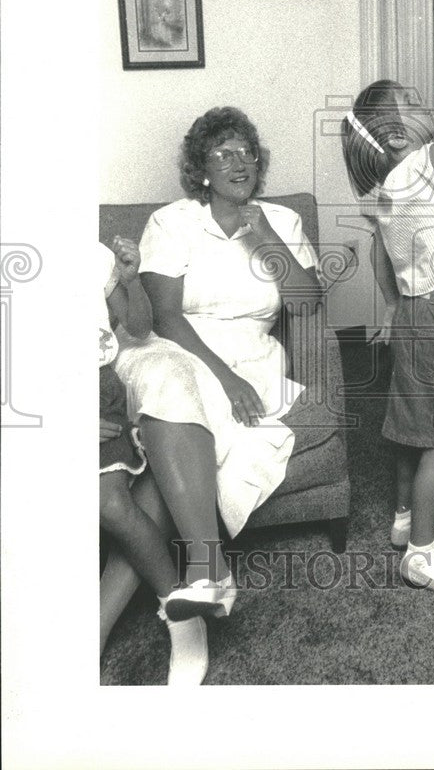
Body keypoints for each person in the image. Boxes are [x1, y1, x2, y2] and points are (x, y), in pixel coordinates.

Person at [105, 107, 323, 639]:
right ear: (201, 170)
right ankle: (210, 571)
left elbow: (309, 303)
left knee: (159, 475)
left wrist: (266, 235)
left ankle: (143, 612)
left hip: (253, 354)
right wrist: (226, 381)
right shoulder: (173, 221)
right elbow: (163, 317)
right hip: (173, 347)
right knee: (168, 380)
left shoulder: (281, 220)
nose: (238, 161)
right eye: (222, 152)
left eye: (246, 150)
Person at [342, 8, 434, 592]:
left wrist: (404, 307)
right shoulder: (417, 171)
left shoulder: (387, 188)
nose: (422, 100)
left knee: (410, 422)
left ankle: (405, 520)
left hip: (417, 311)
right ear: (393, 131)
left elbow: (383, 258)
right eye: (409, 100)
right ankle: (421, 556)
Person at [99, 237, 208, 685]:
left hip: (95, 391)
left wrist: (130, 281)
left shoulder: (92, 257)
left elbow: (140, 327)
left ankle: (180, 613)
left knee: (107, 503)